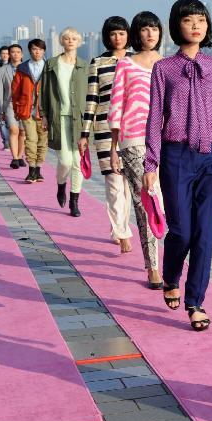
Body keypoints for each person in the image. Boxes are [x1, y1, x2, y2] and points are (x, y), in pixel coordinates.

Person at [143, 0, 212, 332]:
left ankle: (196, 302)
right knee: (181, 231)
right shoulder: (163, 69)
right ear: (176, 25)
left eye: (202, 20)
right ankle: (171, 274)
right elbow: (154, 118)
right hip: (176, 155)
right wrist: (151, 163)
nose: (196, 25)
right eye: (189, 20)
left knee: (205, 233)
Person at [110, 11, 163, 289]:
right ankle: (153, 267)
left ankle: (170, 262)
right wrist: (113, 147)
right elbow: (117, 106)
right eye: (144, 29)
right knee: (147, 204)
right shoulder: (126, 65)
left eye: (154, 28)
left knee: (167, 205)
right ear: (136, 33)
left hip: (168, 141)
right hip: (134, 141)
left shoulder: (168, 64)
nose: (150, 34)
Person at [80, 17, 134, 252]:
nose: (117, 38)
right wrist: (84, 134)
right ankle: (123, 233)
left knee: (129, 184)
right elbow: (91, 99)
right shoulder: (98, 63)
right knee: (114, 182)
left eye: (121, 33)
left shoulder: (135, 60)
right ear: (106, 36)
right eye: (113, 34)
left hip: (132, 129)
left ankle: (119, 227)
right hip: (103, 128)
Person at [41, 28, 88, 217]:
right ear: (61, 41)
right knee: (66, 161)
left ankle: (74, 202)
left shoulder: (85, 66)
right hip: (58, 118)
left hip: (79, 120)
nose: (70, 41)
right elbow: (44, 91)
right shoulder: (52, 64)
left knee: (78, 162)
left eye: (74, 38)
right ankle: (61, 185)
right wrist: (44, 114)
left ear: (79, 42)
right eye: (66, 38)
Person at [12, 39, 48, 182]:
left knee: (42, 142)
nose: (37, 51)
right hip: (26, 110)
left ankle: (38, 170)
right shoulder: (22, 68)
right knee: (31, 140)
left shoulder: (49, 67)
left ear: (44, 51)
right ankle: (31, 170)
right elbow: (15, 91)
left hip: (44, 112)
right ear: (29, 51)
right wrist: (16, 109)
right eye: (34, 49)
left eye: (39, 49)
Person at [0, 44, 26, 168]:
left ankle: (20, 156)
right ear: (9, 54)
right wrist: (2, 110)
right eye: (12, 52)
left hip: (25, 104)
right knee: (13, 130)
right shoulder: (2, 70)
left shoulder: (27, 68)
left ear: (22, 54)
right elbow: (0, 90)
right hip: (9, 103)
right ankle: (14, 158)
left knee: (23, 132)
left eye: (18, 52)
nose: (15, 54)